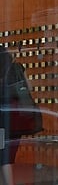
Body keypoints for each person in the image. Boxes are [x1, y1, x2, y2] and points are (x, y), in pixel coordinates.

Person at [0, 45, 19, 185]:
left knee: (3, 157)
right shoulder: (15, 69)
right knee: (5, 156)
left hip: (2, 120)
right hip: (12, 118)